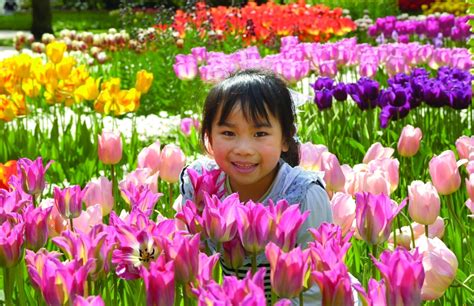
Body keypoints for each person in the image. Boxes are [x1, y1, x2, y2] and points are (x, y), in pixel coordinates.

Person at [179, 69, 333, 304]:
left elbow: (315, 287)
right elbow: (187, 259)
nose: (243, 148)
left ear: (285, 138)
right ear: (209, 137)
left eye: (260, 133)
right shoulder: (200, 185)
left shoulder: (303, 195)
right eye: (228, 133)